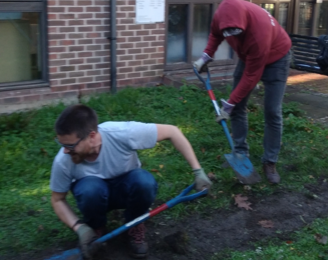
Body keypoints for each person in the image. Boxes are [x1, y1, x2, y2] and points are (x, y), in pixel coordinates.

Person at [50, 104, 211, 259]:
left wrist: (198, 172)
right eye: (62, 144)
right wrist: (79, 227)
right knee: (90, 189)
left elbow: (173, 132)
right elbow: (57, 200)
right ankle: (94, 229)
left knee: (144, 181)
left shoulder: (122, 133)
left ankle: (135, 223)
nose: (65, 150)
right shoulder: (63, 160)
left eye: (70, 145)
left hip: (126, 189)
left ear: (91, 136)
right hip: (94, 195)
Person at [193, 0, 292, 184]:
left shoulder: (258, 32)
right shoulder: (220, 17)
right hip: (249, 56)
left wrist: (229, 105)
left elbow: (251, 76)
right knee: (238, 107)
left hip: (276, 57)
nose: (232, 36)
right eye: (229, 32)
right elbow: (215, 35)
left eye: (235, 32)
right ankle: (240, 152)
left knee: (272, 111)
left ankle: (270, 161)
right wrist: (205, 57)